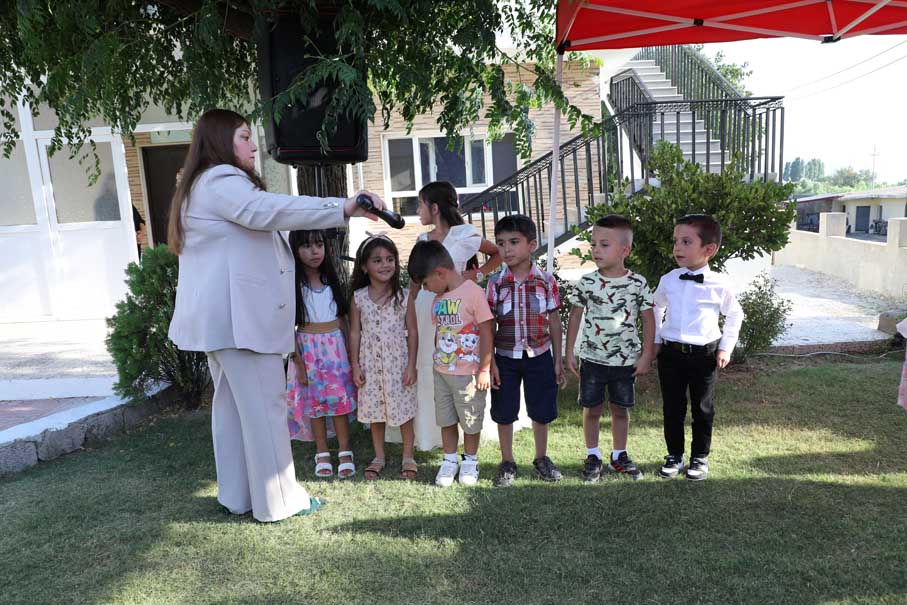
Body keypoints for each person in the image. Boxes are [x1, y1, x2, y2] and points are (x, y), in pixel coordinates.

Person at [167, 108, 385, 522]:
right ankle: (278, 501)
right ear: (220, 142)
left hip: (225, 325)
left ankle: (239, 496)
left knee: (233, 413)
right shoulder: (221, 180)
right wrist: (342, 207)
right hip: (242, 325)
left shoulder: (201, 185)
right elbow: (268, 210)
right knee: (266, 411)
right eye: (244, 137)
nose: (253, 147)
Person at [409, 181, 500, 451]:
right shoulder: (422, 240)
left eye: (421, 205)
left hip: (460, 310)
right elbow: (415, 282)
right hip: (428, 308)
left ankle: (469, 429)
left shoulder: (465, 234)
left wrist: (477, 274)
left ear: (435, 208)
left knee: (461, 364)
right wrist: (408, 305)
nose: (418, 211)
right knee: (433, 365)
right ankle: (432, 433)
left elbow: (496, 253)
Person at [653, 214, 744, 481]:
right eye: (675, 241)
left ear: (709, 249)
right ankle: (674, 455)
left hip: (704, 355)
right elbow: (655, 307)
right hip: (671, 354)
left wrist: (726, 347)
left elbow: (735, 314)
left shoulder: (720, 284)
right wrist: (656, 339)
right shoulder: (669, 279)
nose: (677, 247)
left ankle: (699, 457)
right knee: (672, 408)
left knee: (703, 409)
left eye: (686, 241)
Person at [565, 215, 655, 482]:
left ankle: (619, 455)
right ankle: (593, 455)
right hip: (592, 359)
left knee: (620, 409)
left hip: (625, 361)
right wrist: (569, 353)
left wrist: (646, 355)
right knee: (591, 409)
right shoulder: (587, 282)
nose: (596, 250)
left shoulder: (638, 283)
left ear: (625, 250)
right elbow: (574, 317)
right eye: (593, 244)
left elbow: (649, 319)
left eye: (604, 245)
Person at [485, 215, 565, 487]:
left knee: (541, 409)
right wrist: (490, 362)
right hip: (505, 358)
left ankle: (541, 458)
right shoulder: (495, 283)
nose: (506, 249)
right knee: (504, 410)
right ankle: (507, 461)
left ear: (531, 245)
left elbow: (554, 321)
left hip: (539, 356)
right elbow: (488, 325)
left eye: (513, 242)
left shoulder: (546, 281)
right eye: (500, 243)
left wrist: (557, 359)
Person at [407, 240, 494, 487]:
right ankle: (449, 461)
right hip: (441, 373)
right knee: (446, 419)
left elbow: (487, 330)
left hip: (469, 375)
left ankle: (470, 461)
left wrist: (485, 369)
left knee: (470, 420)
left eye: (426, 283)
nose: (426, 289)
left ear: (440, 273)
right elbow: (441, 333)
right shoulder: (438, 299)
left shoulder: (473, 293)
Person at [286, 229, 358, 479]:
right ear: (295, 251)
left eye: (318, 245)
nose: (314, 251)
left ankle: (345, 450)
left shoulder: (332, 281)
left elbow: (343, 320)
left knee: (339, 403)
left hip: (336, 353)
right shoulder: (293, 285)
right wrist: (298, 363)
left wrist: (351, 355)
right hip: (308, 353)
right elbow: (288, 329)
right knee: (315, 404)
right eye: (306, 246)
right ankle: (322, 451)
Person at [348, 234, 419, 480]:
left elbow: (413, 331)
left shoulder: (404, 296)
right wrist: (355, 365)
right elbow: (355, 332)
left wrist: (411, 365)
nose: (385, 264)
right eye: (377, 260)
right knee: (374, 411)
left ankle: (408, 455)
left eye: (390, 259)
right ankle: (378, 456)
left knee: (404, 411)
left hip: (397, 364)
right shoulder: (358, 298)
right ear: (364, 267)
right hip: (370, 365)